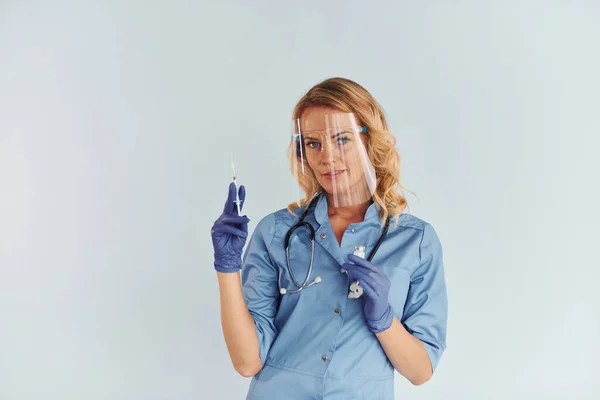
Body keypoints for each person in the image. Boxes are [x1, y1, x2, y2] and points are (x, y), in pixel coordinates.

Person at [211, 77, 448, 399]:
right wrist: (227, 267)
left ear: (369, 141)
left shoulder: (414, 240)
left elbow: (420, 372)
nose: (326, 156)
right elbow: (247, 363)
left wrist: (383, 319)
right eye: (313, 143)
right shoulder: (277, 231)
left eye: (342, 139)